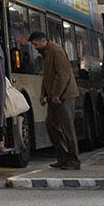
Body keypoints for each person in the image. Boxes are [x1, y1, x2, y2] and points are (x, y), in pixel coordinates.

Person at [30, 31, 81, 170]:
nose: (35, 47)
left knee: (67, 128)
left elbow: (62, 74)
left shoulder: (56, 51)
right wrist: (43, 94)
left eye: (35, 44)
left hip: (64, 96)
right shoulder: (47, 52)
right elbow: (47, 76)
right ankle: (62, 157)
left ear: (43, 40)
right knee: (51, 125)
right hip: (54, 96)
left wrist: (57, 94)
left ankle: (73, 160)